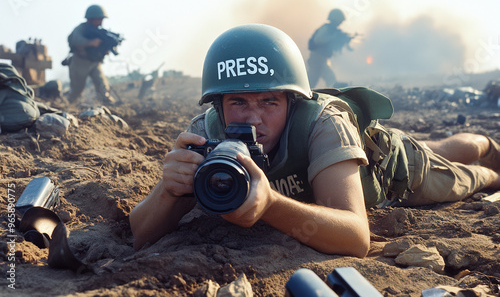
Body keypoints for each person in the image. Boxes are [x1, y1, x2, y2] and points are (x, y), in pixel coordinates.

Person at [130, 24, 500, 257]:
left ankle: (489, 148)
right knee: (448, 152)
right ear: (218, 105)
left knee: (464, 169)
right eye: (238, 102)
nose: (253, 118)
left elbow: (356, 238)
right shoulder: (206, 133)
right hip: (344, 166)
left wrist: (271, 205)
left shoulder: (322, 122)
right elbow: (139, 236)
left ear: (292, 101)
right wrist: (169, 191)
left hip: (393, 169)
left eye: (269, 102)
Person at [66, 4, 115, 105]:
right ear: (92, 18)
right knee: (77, 90)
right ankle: (70, 105)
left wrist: (105, 50)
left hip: (94, 63)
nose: (101, 21)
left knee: (102, 84)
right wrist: (91, 42)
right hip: (79, 62)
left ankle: (108, 103)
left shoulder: (100, 32)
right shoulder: (81, 29)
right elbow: (75, 40)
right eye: (100, 18)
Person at [307, 9, 357, 89]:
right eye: (340, 21)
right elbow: (318, 40)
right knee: (315, 81)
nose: (340, 23)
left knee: (324, 79)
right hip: (317, 59)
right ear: (336, 19)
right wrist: (333, 38)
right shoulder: (326, 28)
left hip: (321, 59)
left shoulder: (331, 29)